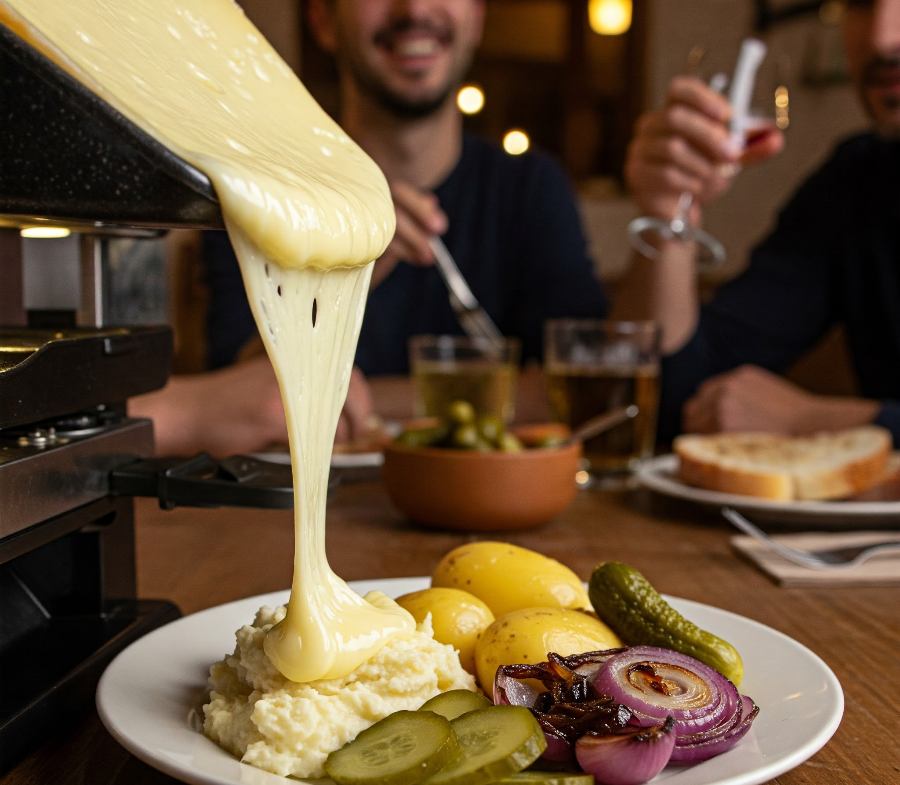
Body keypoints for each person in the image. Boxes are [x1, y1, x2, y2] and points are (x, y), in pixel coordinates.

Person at [138, 0, 607, 456]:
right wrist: (352, 270)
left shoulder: (533, 188)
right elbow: (248, 399)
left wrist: (339, 397)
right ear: (322, 19)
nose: (414, 8)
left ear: (477, 15)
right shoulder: (255, 196)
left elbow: (568, 394)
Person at [615, 0, 900, 445]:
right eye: (861, 2)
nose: (883, 37)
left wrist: (811, 421)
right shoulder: (856, 182)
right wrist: (670, 216)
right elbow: (678, 403)